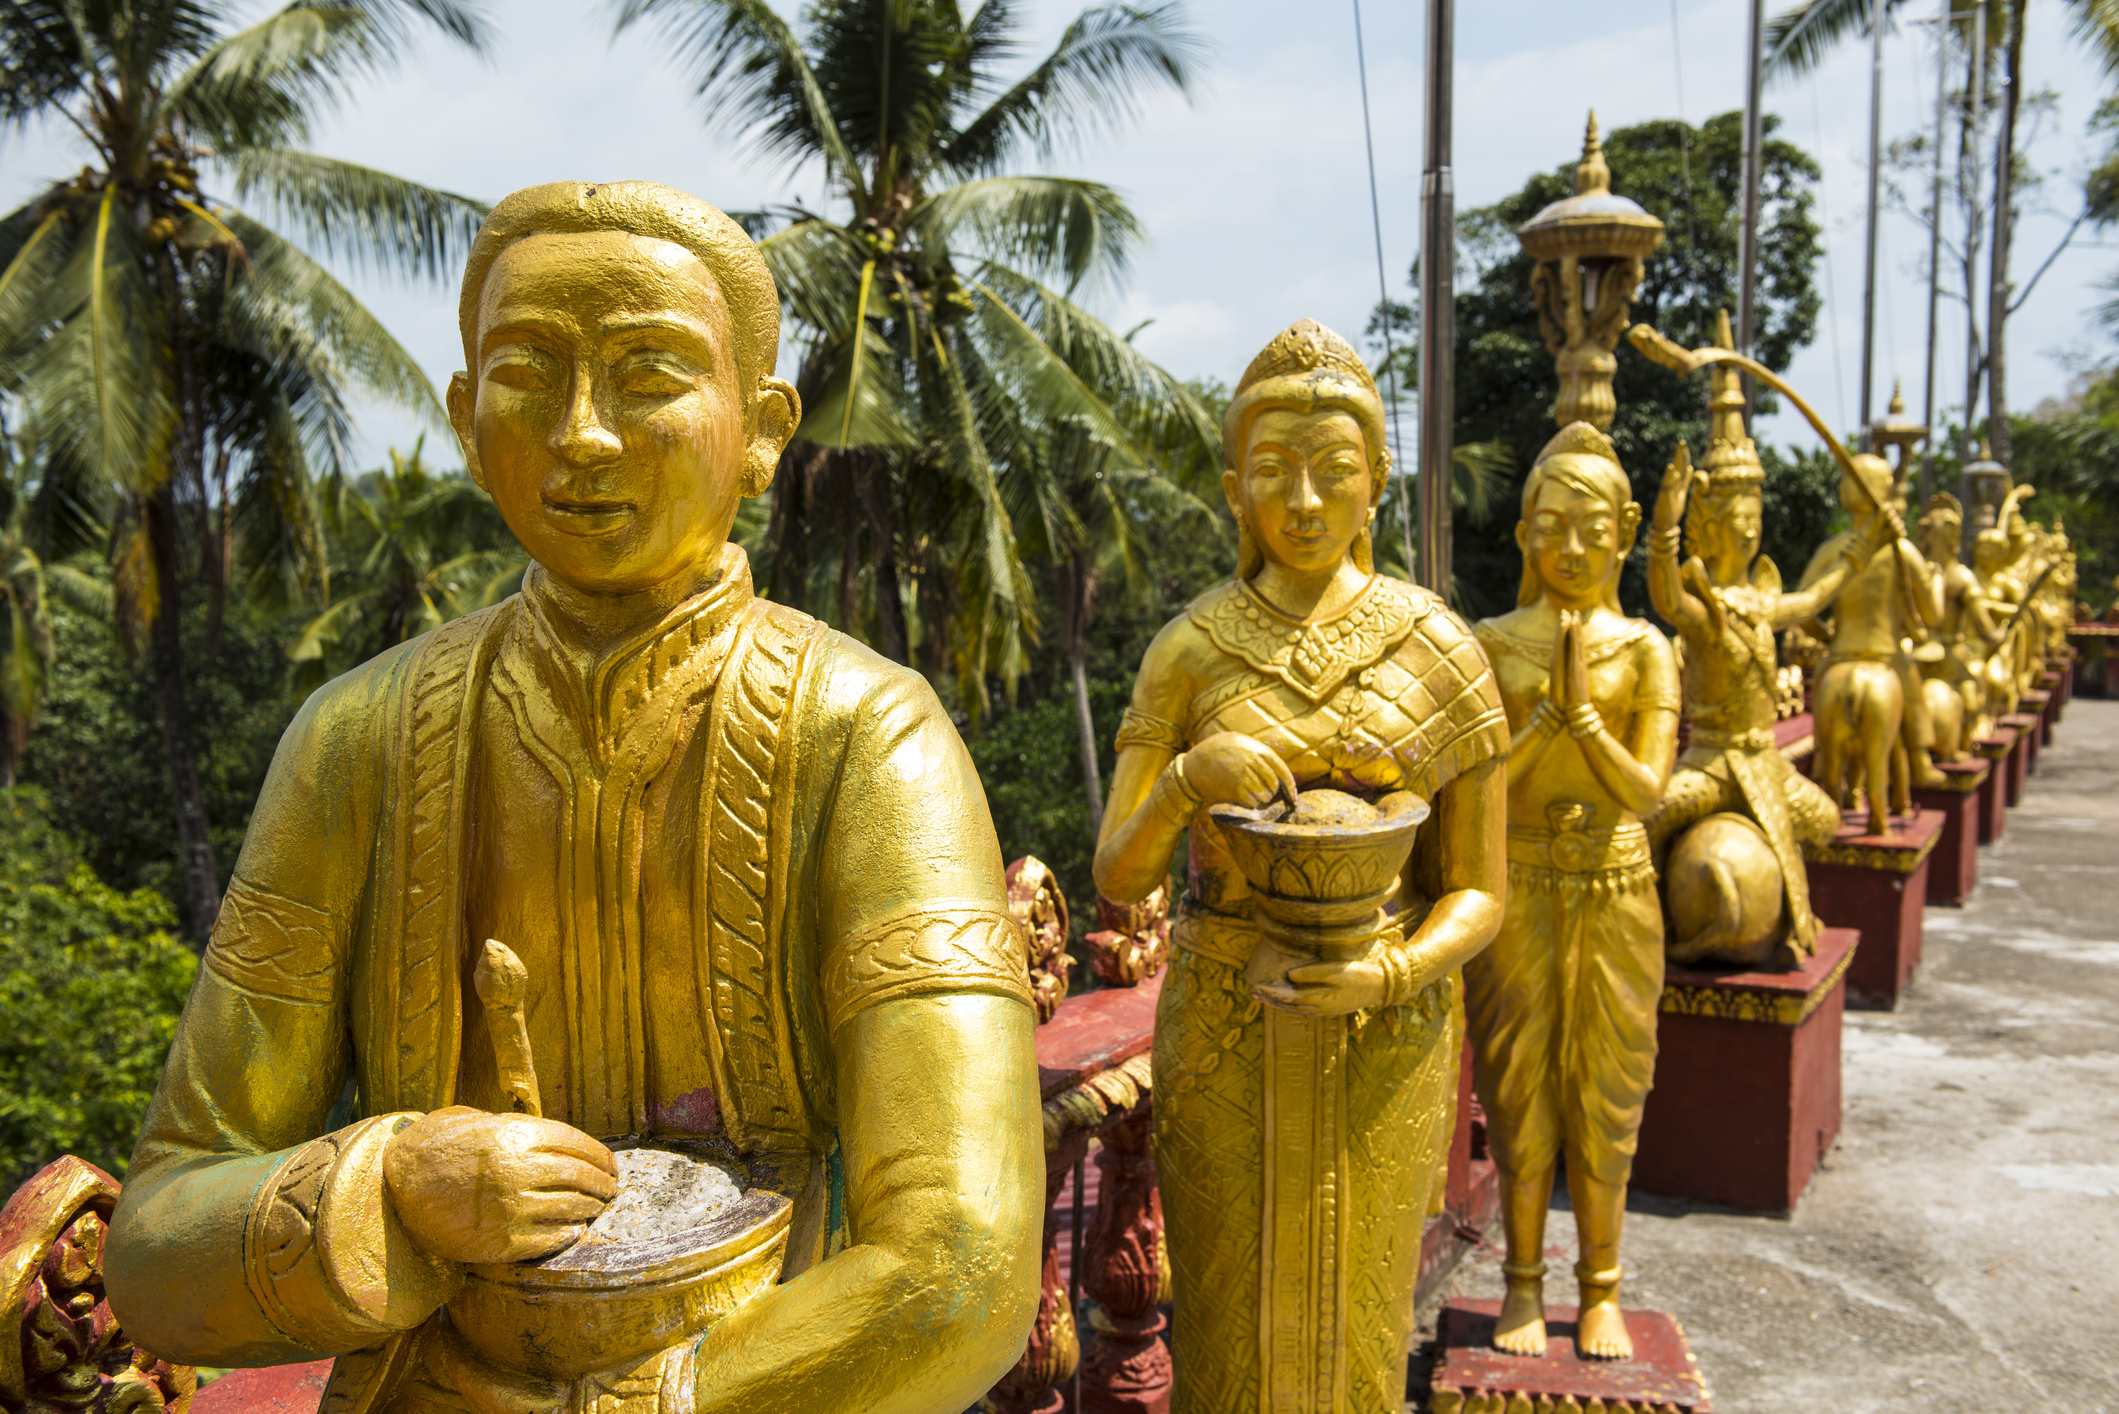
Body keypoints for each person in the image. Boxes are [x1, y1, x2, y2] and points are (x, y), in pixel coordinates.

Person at [104, 182, 1041, 1414]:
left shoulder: (868, 737)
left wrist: (640, 1405)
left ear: (760, 430)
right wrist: (390, 1184)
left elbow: (960, 1264)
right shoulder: (356, 741)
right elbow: (157, 1243)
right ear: (463, 413)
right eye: (528, 373)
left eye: (649, 373)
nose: (582, 434)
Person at [1093, 319, 1507, 1412]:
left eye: (1334, 471)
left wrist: (1389, 973)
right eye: (1274, 471)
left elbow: (1479, 891)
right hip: (1228, 1010)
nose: (1306, 500)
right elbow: (1120, 875)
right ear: (1234, 489)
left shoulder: (1438, 647)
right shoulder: (1191, 648)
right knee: (1228, 1319)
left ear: (1376, 483)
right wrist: (1187, 779)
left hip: (1387, 1019)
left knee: (1362, 1318)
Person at [1467, 423, 1679, 1360]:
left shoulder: (1645, 649)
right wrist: (1537, 729)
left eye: (1591, 528)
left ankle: (1600, 1286)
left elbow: (1648, 790)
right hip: (1517, 885)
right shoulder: (1490, 642)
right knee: (1517, 1092)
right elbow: (1474, 790)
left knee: (1606, 1092)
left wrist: (1584, 727)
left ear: (1624, 531)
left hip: (1617, 883)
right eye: (1551, 526)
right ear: (1523, 535)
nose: (1571, 546)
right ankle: (1519, 1283)